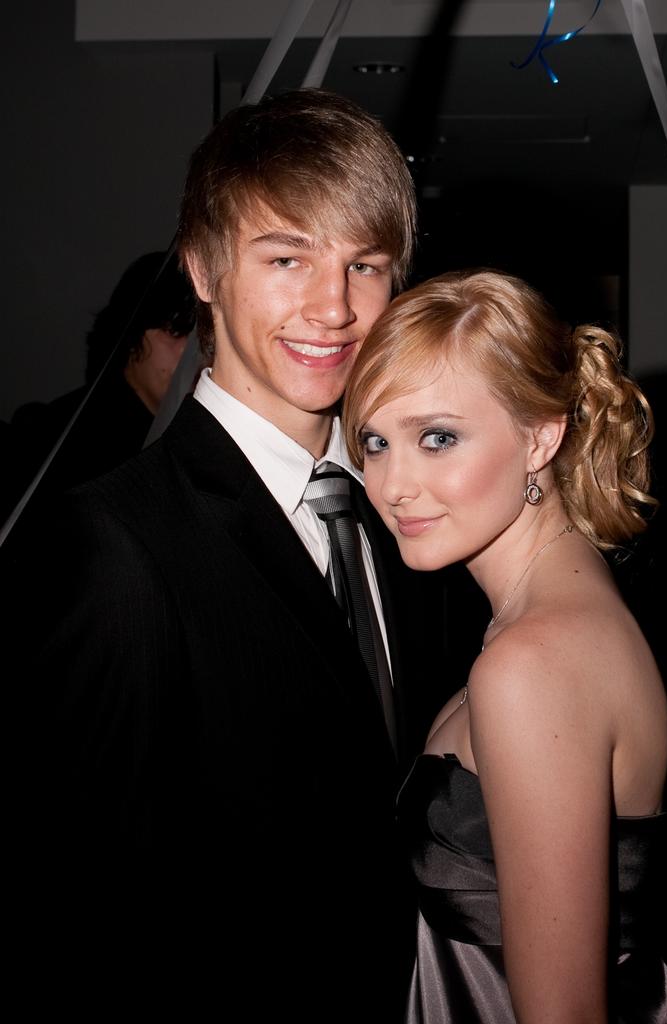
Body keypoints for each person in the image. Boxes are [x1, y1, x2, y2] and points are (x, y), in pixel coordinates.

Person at [7, 92, 484, 1018]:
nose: (334, 306)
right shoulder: (116, 545)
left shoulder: (415, 515)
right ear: (203, 270)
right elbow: (79, 907)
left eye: (365, 265)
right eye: (286, 258)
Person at [343, 269, 667, 1023]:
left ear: (540, 436)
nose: (393, 483)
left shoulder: (530, 663)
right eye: (373, 441)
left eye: (438, 438)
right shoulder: (568, 604)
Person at [3, 251, 195, 519]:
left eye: (203, 340)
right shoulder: (67, 436)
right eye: (175, 331)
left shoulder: (182, 441)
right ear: (132, 332)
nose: (191, 354)